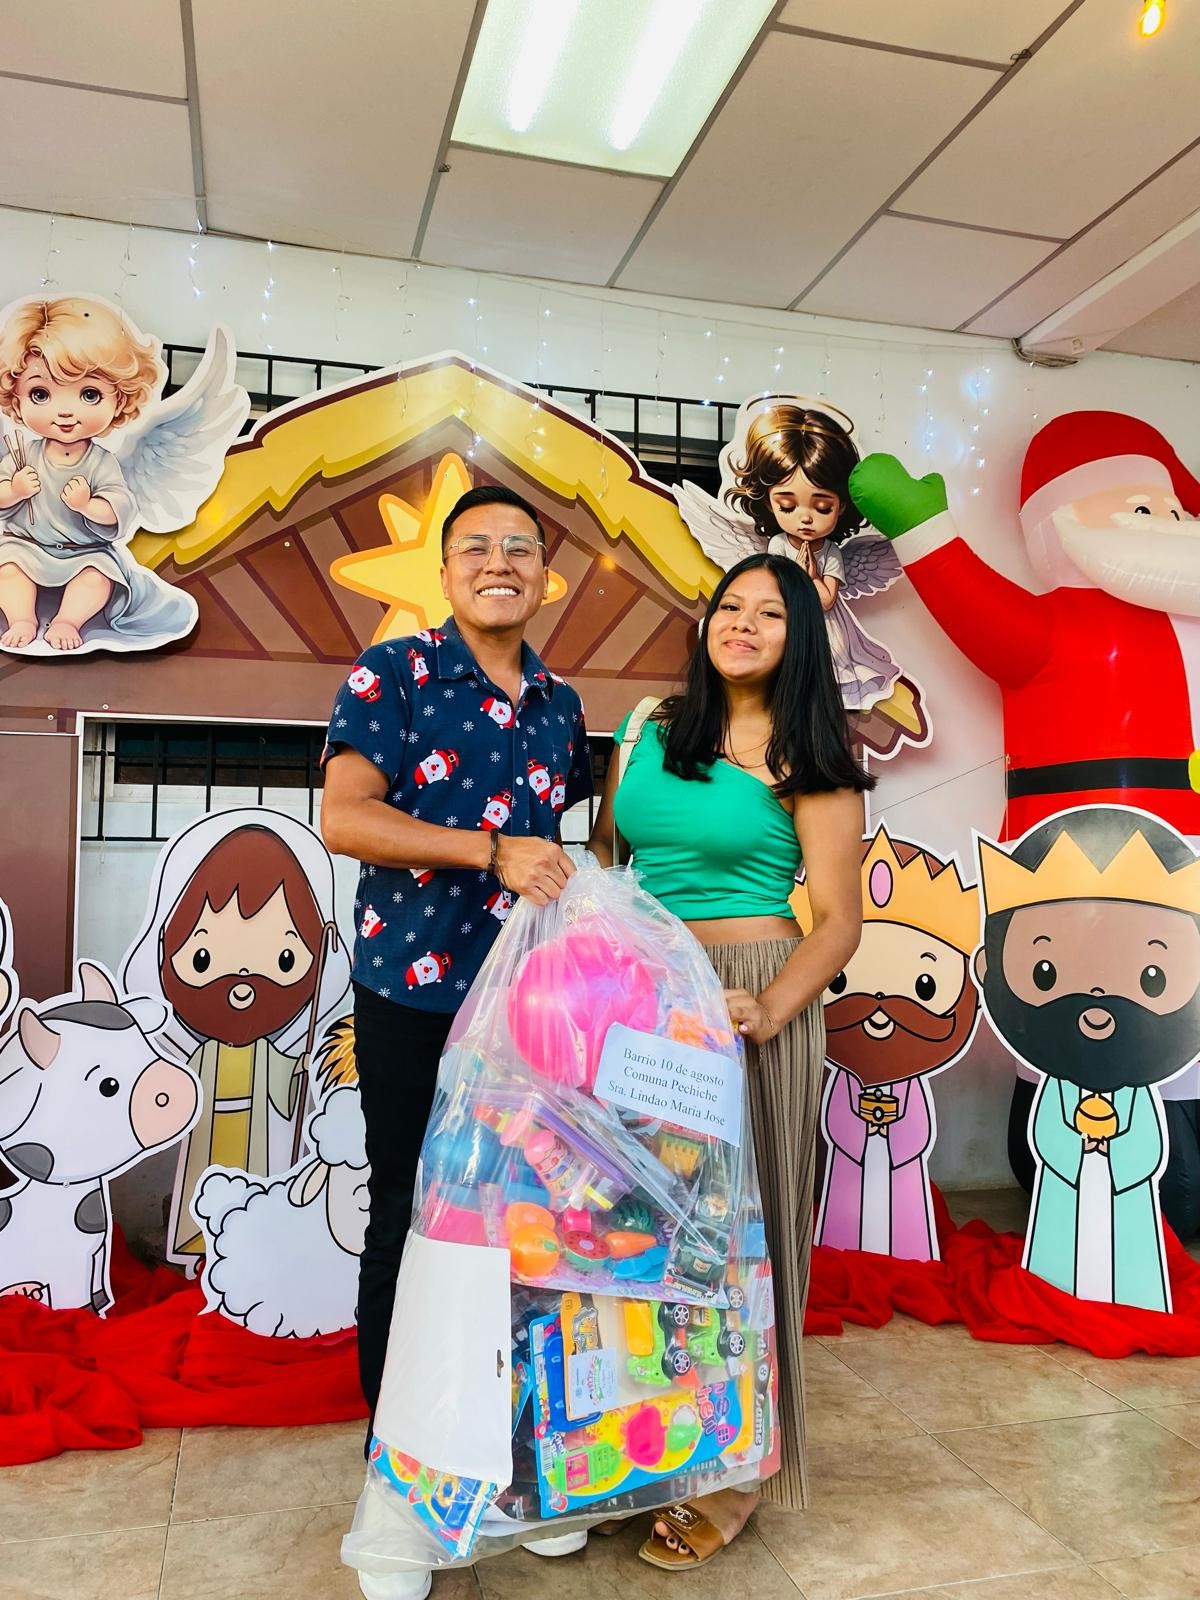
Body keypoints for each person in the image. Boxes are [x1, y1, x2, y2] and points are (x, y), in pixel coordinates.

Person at [321, 482, 592, 1600]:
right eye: (475, 546)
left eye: (520, 547)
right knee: (412, 1212)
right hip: (414, 996)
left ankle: (520, 1468)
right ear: (444, 573)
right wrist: (489, 851)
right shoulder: (393, 673)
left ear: (543, 577)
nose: (499, 562)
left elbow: (569, 840)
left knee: (529, 1223)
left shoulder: (562, 703)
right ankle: (401, 1486)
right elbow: (345, 817)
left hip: (532, 1007)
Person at [588, 550, 870, 1568]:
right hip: (640, 1002)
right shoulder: (648, 726)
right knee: (640, 1235)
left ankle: (741, 1473)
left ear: (800, 641)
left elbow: (839, 921)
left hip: (752, 997)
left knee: (747, 1239)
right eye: (729, 606)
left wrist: (769, 1006)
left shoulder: (811, 753)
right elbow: (612, 860)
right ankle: (654, 1446)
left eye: (770, 614)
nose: (742, 623)